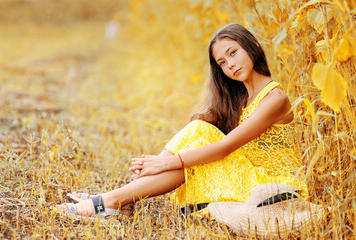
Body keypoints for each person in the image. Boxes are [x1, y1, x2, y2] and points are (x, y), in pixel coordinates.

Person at [56, 23, 308, 218]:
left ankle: (112, 200)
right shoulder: (241, 98)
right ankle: (120, 200)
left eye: (233, 53)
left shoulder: (275, 98)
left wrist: (163, 163)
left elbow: (225, 148)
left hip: (273, 182)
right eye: (222, 62)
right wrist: (164, 163)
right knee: (200, 129)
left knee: (200, 147)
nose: (230, 65)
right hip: (249, 173)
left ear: (251, 45)